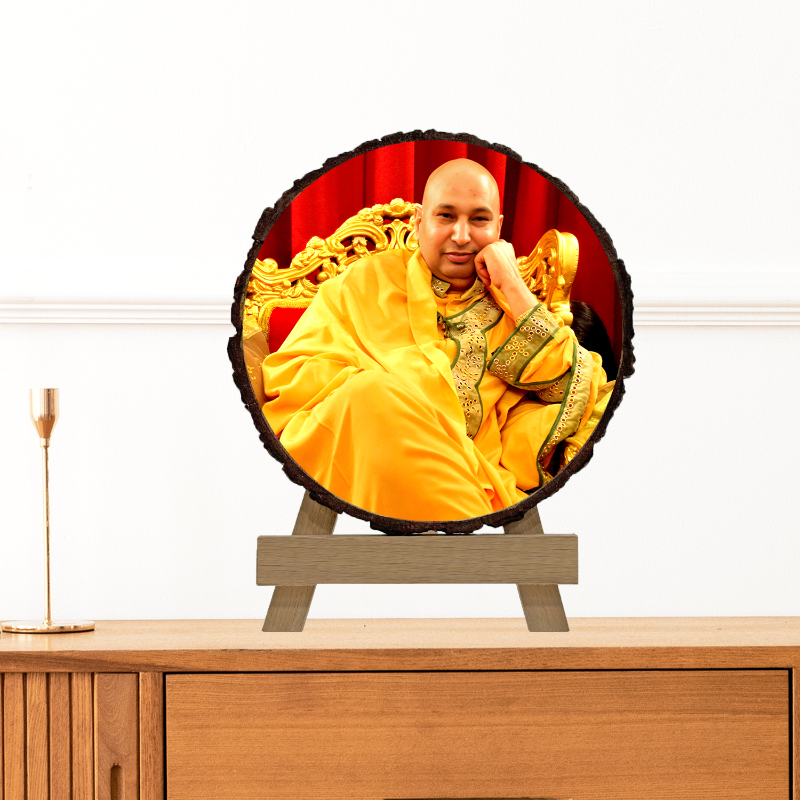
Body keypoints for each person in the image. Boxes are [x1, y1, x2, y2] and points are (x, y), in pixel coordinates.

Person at [260, 159, 609, 521]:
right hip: (364, 456)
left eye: (479, 219)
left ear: (499, 228)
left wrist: (513, 286)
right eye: (445, 216)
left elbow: (572, 387)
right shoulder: (364, 281)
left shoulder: (511, 306)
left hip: (469, 473)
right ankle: (475, 558)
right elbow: (294, 374)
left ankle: (461, 547)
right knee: (368, 395)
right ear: (419, 220)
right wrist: (397, 402)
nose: (461, 235)